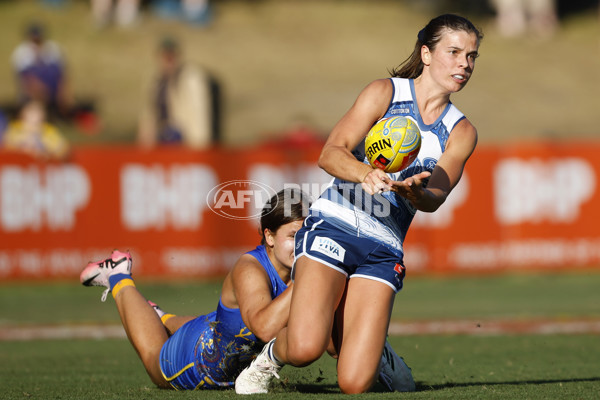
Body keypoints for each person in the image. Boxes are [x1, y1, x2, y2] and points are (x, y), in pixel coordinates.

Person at [235, 13, 483, 394]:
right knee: (304, 348)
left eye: (471, 57)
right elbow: (330, 153)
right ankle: (269, 358)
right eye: (455, 52)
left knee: (354, 383)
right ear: (427, 54)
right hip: (334, 223)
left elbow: (436, 195)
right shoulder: (385, 93)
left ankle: (376, 354)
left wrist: (418, 194)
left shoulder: (462, 131)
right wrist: (362, 172)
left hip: (383, 245)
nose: (464, 64)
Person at [79, 188, 310, 389]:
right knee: (153, 361)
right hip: (196, 361)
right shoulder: (250, 269)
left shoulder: (298, 268)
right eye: (293, 236)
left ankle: (158, 317)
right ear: (269, 236)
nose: (302, 244)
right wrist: (307, 281)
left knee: (205, 324)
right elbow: (265, 329)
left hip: (216, 328)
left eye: (307, 236)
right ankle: (119, 275)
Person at [137, 37, 217, 149]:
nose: (169, 60)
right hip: (160, 141)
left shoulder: (191, 78)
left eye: (172, 56)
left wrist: (199, 148)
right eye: (166, 56)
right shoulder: (155, 81)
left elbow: (199, 114)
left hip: (184, 143)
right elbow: (148, 116)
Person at [11, 22, 73, 122]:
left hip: (53, 92)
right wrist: (41, 94)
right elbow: (25, 81)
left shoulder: (53, 49)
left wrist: (63, 94)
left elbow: (63, 76)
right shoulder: (21, 53)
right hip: (33, 95)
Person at [2, 100, 70, 161]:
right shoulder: (14, 128)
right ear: (22, 113)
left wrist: (45, 150)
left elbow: (62, 149)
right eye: (31, 111)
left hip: (41, 168)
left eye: (38, 111)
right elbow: (7, 147)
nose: (35, 115)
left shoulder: (48, 130)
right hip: (18, 166)